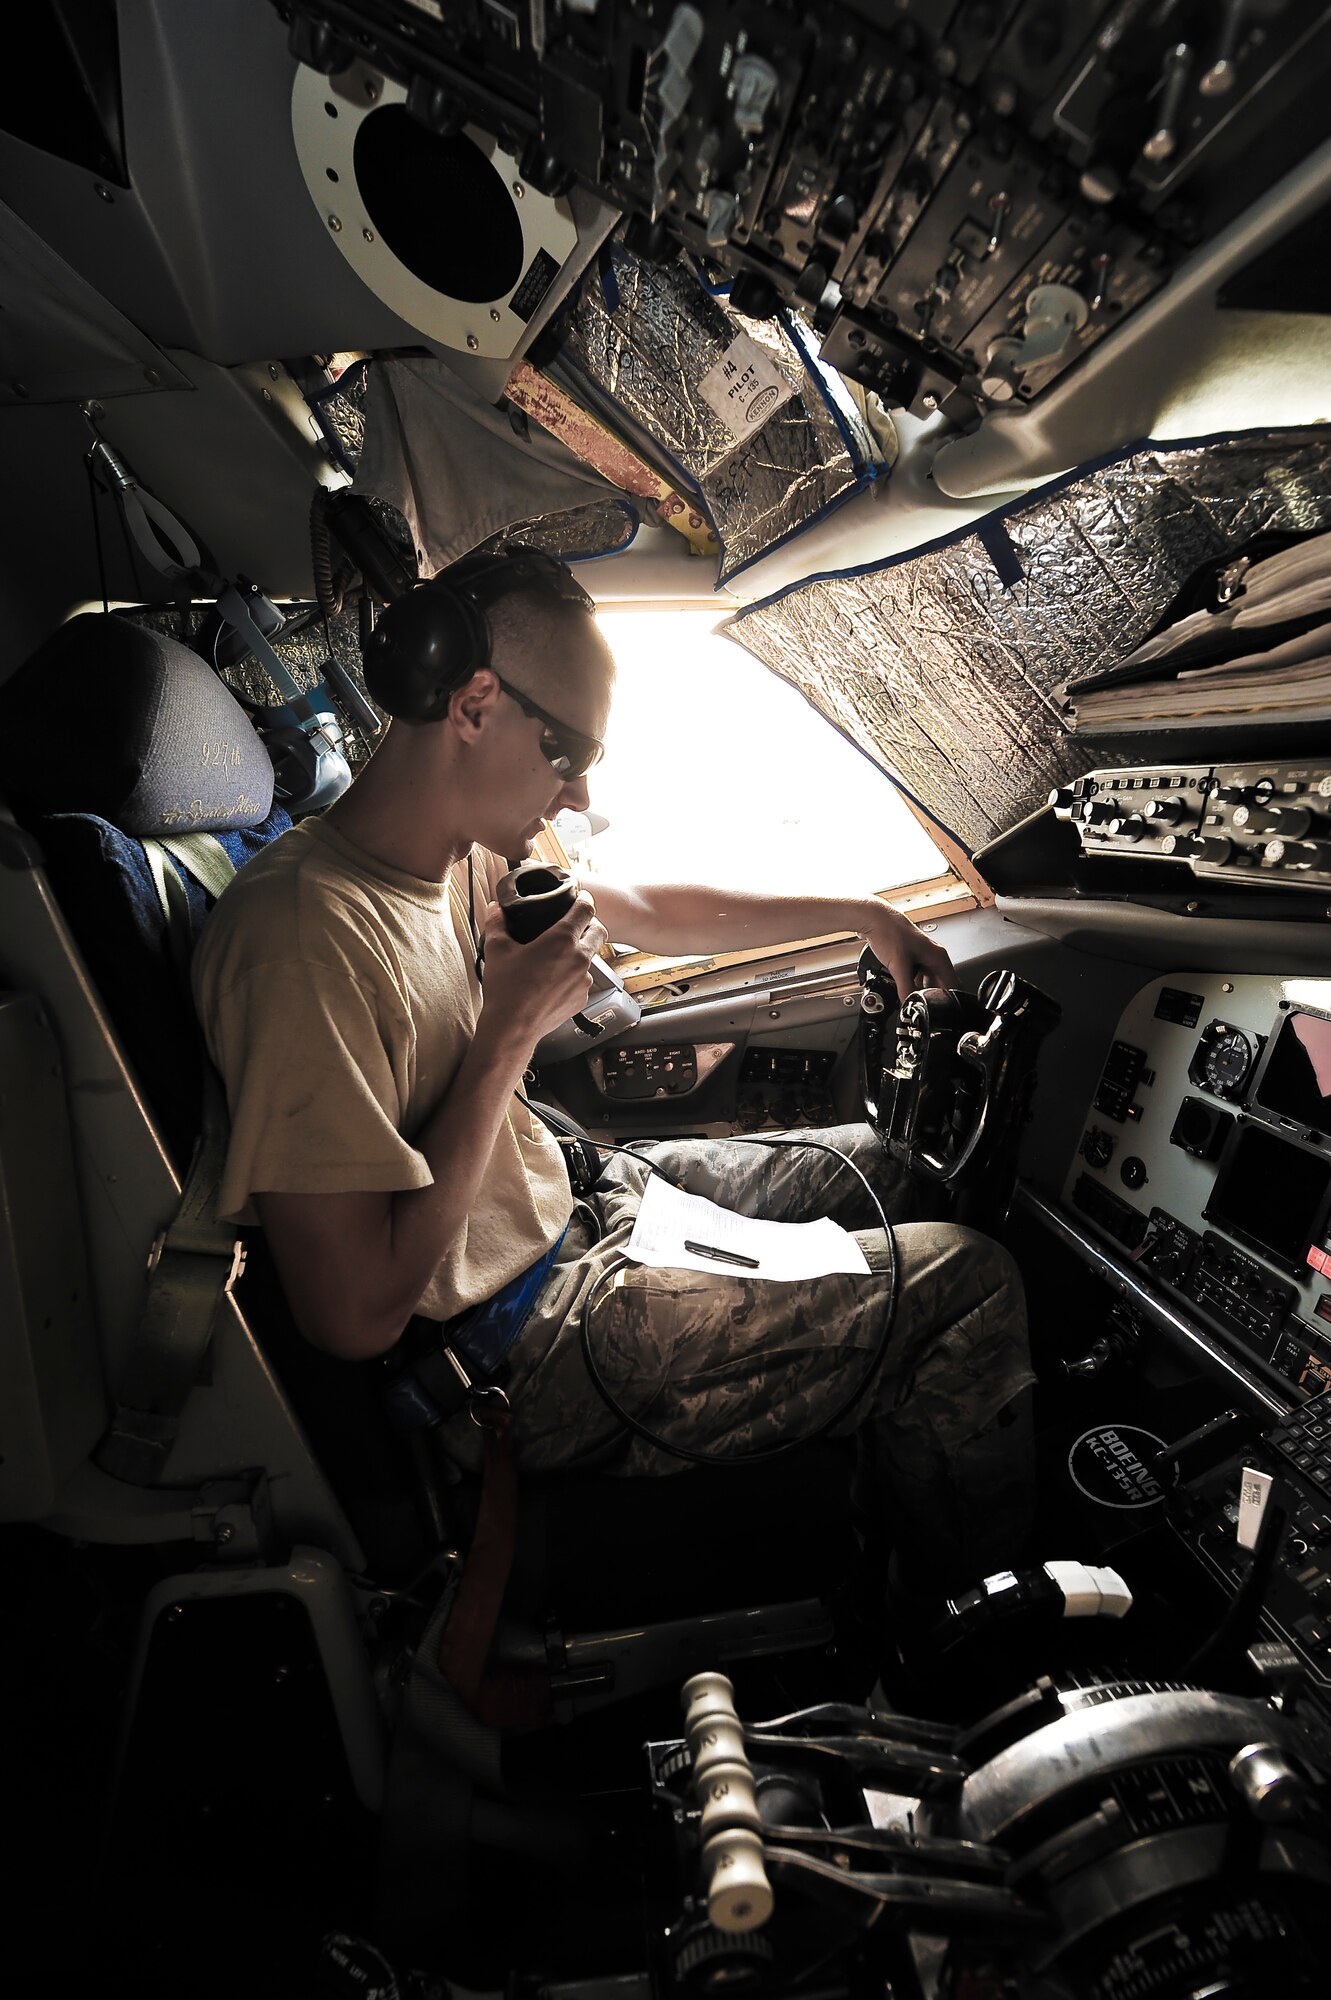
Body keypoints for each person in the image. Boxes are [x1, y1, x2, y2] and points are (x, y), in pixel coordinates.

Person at [193, 550, 1034, 1594]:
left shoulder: (461, 849)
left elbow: (632, 908)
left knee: (892, 1164)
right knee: (966, 1286)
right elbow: (352, 1312)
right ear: (473, 704)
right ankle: (978, 1650)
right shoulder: (300, 938)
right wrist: (506, 1032)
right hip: (519, 1347)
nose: (582, 786)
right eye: (569, 747)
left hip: (590, 1209)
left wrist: (860, 912)